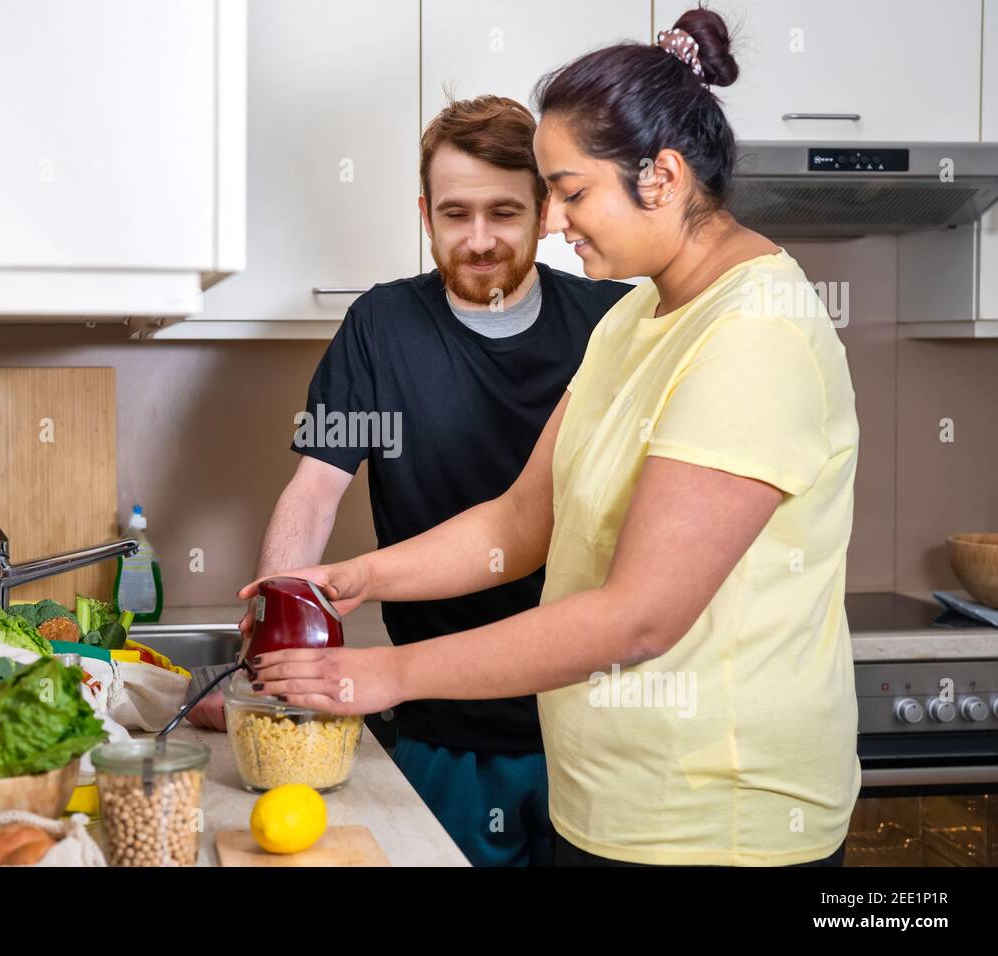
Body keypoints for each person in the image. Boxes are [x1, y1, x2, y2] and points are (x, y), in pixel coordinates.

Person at [242, 7, 861, 867]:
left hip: (711, 825)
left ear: (664, 177)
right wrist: (355, 578)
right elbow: (519, 523)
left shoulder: (756, 332)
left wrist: (387, 675)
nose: (558, 223)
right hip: (605, 803)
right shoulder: (640, 316)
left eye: (568, 193)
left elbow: (638, 619)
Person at [189, 95, 630, 867]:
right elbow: (316, 488)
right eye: (457, 213)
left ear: (546, 210)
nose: (481, 239)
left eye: (504, 211)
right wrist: (275, 637)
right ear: (425, 214)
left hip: (597, 722)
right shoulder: (383, 327)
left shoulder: (617, 323)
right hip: (441, 721)